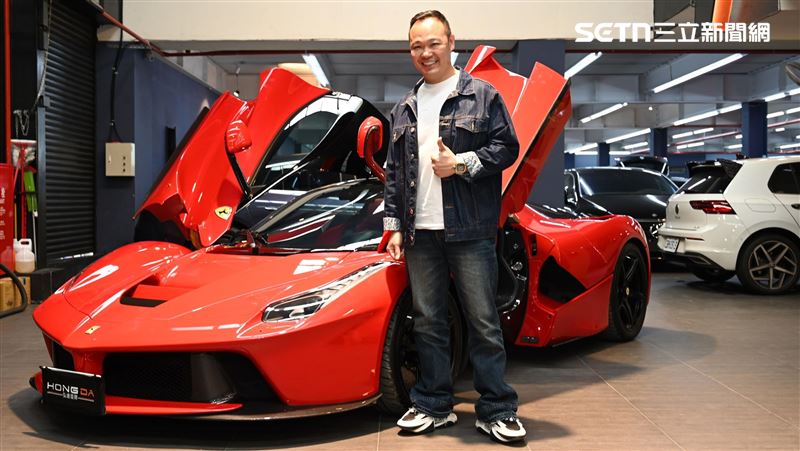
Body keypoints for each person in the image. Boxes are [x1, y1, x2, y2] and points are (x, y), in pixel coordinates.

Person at [383, 9, 526, 444]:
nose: (425, 52)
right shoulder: (404, 108)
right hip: (420, 232)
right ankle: (433, 404)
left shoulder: (482, 96)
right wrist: (394, 226)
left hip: (470, 230)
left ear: (450, 42)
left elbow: (508, 147)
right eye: (417, 46)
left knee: (483, 321)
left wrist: (461, 163)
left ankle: (497, 407)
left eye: (433, 43)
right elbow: (394, 173)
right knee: (428, 321)